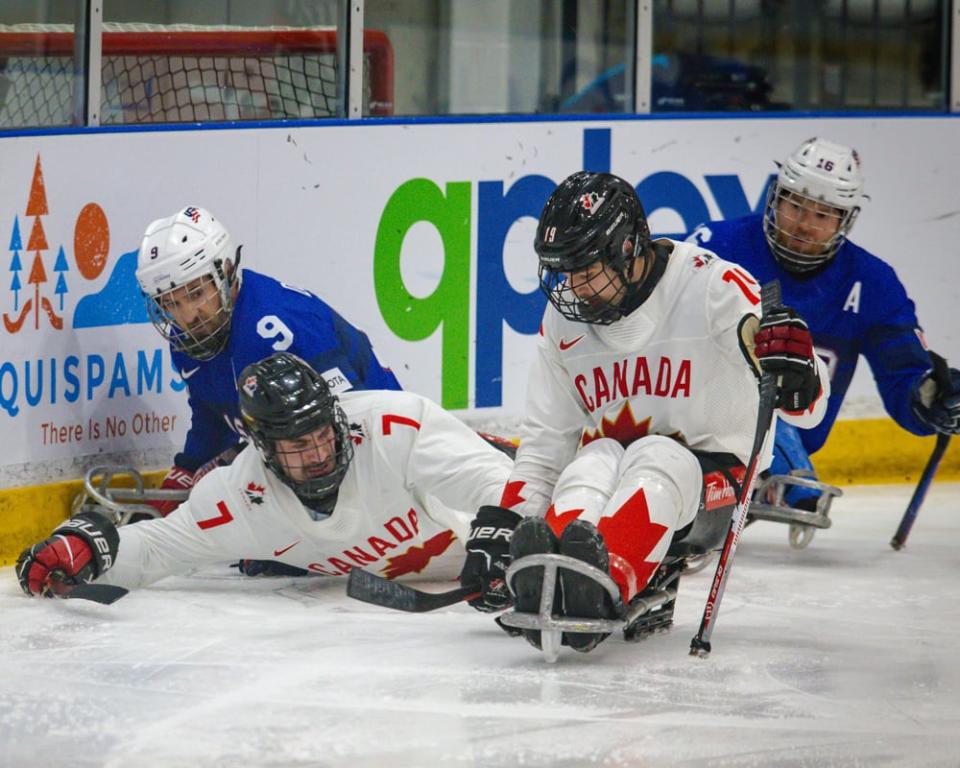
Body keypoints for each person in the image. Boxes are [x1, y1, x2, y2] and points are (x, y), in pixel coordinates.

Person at [458, 170, 831, 653]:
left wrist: (800, 371)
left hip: (716, 486)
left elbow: (808, 410)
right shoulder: (563, 321)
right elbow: (547, 444)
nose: (571, 287)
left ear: (628, 249)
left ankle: (601, 581)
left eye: (584, 268)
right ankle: (550, 571)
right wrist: (504, 524)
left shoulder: (713, 287)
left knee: (657, 454)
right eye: (562, 271)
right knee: (592, 459)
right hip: (618, 475)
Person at [16, 353, 512, 598]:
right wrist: (88, 552)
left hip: (471, 514)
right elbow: (158, 548)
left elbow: (504, 485)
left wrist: (512, 538)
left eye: (323, 434)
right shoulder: (240, 497)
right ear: (266, 450)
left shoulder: (394, 428)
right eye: (299, 445)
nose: (319, 452)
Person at [685, 138, 960, 510]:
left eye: (822, 215)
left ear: (845, 221)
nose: (804, 226)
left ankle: (775, 471)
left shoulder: (874, 283)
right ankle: (781, 478)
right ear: (775, 198)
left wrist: (931, 398)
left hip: (797, 432)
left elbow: (903, 376)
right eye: (795, 205)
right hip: (694, 425)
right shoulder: (716, 246)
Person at [135, 206, 402, 519]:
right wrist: (185, 473)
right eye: (170, 302)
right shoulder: (190, 338)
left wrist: (235, 463)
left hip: (381, 462)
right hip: (301, 469)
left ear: (227, 270)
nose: (187, 316)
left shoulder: (282, 327)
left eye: (196, 293)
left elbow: (348, 424)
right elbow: (213, 412)